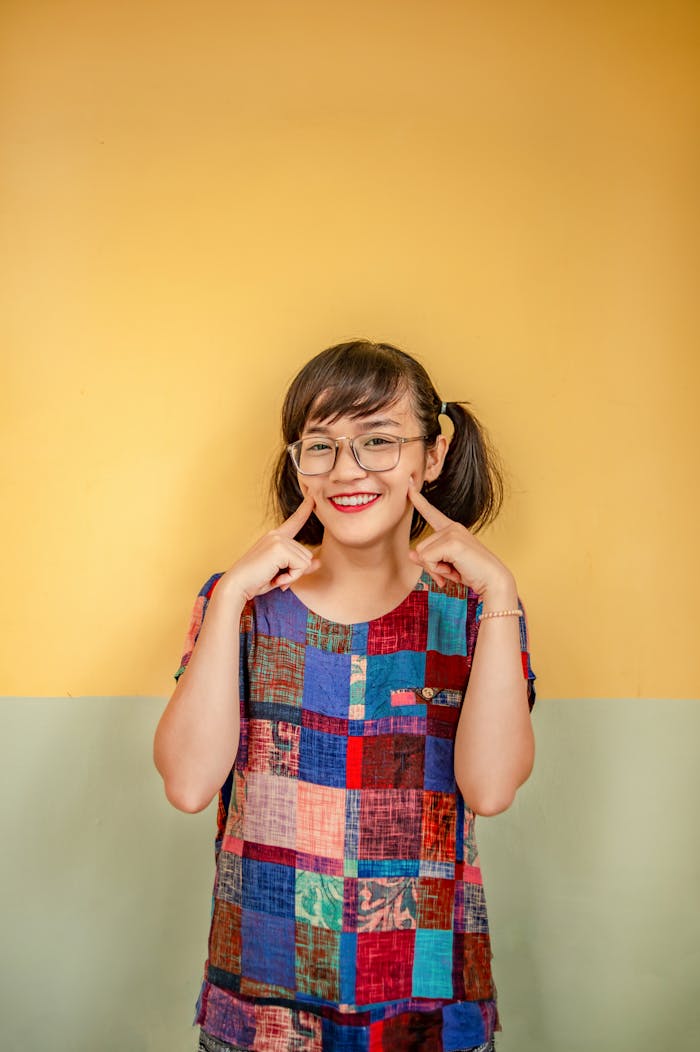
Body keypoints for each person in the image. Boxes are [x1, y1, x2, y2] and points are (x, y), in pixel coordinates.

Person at [154, 338, 537, 1052]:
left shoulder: (479, 611)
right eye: (320, 446)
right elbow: (186, 782)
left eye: (378, 441)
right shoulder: (241, 605)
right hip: (263, 1014)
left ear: (433, 454)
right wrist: (233, 591)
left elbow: (488, 789)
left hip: (430, 1015)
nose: (347, 470)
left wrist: (503, 593)